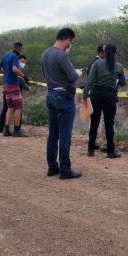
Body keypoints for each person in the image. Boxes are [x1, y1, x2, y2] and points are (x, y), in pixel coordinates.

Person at [41, 28, 82, 179]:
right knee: (65, 135)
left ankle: (52, 167)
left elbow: (46, 75)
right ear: (67, 39)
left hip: (50, 95)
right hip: (64, 97)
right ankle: (65, 170)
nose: (70, 44)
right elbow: (72, 77)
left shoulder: (45, 53)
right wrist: (77, 73)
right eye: (71, 41)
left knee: (53, 133)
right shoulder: (62, 55)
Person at [83, 44, 126, 158]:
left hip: (96, 94)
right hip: (110, 96)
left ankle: (90, 150)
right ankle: (110, 152)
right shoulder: (119, 66)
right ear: (115, 53)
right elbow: (123, 83)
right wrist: (123, 75)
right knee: (109, 124)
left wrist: (85, 94)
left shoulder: (96, 64)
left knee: (94, 123)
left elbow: (90, 81)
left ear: (104, 52)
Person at [0, 42, 27, 137]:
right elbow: (14, 69)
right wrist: (24, 76)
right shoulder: (14, 57)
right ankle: (17, 130)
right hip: (13, 85)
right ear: (20, 49)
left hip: (6, 85)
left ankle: (6, 129)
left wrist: (6, 73)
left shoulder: (5, 55)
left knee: (10, 107)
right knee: (18, 108)